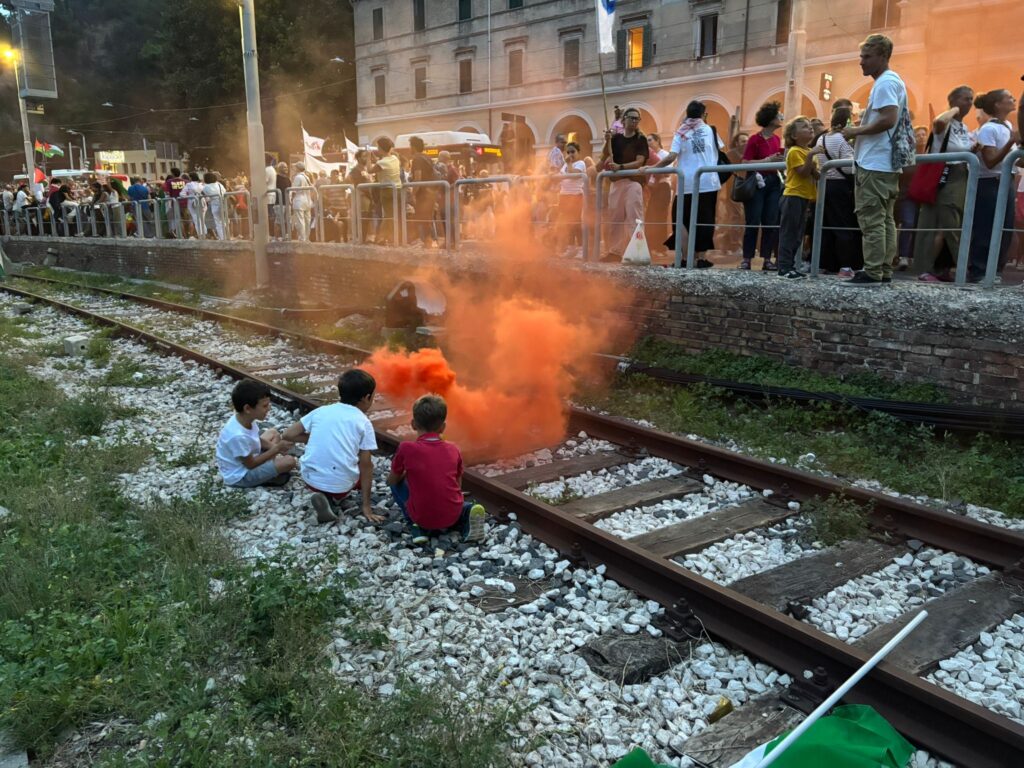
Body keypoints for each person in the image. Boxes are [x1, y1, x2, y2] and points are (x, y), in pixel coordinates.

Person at [843, 34, 910, 286]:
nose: (861, 62)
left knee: (871, 218)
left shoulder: (884, 83)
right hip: (887, 163)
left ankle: (872, 271)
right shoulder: (894, 82)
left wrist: (855, 131)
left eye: (866, 57)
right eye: (861, 56)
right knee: (885, 219)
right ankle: (882, 269)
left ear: (883, 56)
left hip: (874, 163)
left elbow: (888, 119)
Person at [281, 369, 383, 525]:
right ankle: (333, 498)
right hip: (340, 486)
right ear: (366, 397)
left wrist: (313, 437)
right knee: (361, 465)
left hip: (309, 478)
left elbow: (288, 434)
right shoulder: (363, 422)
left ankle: (325, 494)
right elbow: (366, 465)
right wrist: (367, 506)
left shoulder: (322, 411)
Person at [385, 394, 487, 545]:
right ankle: (465, 515)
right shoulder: (453, 449)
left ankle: (415, 526)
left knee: (397, 485)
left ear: (413, 424)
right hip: (451, 516)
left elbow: (391, 481)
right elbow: (457, 486)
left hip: (422, 518)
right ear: (443, 427)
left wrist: (406, 473)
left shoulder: (406, 448)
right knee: (457, 501)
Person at [912, 85, 975, 282]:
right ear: (954, 101)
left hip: (960, 176)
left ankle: (944, 268)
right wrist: (955, 109)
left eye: (971, 99)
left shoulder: (964, 127)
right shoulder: (945, 122)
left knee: (952, 223)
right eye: (966, 99)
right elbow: (938, 122)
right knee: (941, 224)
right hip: (943, 176)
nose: (970, 103)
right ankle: (933, 269)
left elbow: (963, 150)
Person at [649, 100, 721, 268]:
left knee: (681, 220)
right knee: (705, 220)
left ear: (687, 114)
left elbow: (670, 157)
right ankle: (700, 258)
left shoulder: (680, 132)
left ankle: (685, 258)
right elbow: (718, 151)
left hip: (686, 183)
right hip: (708, 181)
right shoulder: (711, 130)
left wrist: (650, 168)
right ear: (704, 115)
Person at [967, 89, 1019, 282]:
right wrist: (1011, 143)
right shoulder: (989, 129)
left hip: (1006, 183)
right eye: (1009, 98)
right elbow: (990, 161)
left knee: (1005, 228)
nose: (1013, 100)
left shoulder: (1006, 125)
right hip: (990, 183)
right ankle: (979, 271)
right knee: (986, 228)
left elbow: (1012, 160)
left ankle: (995, 270)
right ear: (998, 104)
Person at [216, 379, 296, 488]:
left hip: (247, 459)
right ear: (248, 408)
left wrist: (276, 447)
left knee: (273, 433)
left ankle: (269, 470)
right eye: (264, 406)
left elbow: (255, 438)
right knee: (289, 462)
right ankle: (268, 476)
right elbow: (250, 464)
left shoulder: (243, 418)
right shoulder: (237, 436)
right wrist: (277, 449)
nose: (269, 408)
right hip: (240, 476)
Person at [815, 106, 862, 275]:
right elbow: (849, 168)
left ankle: (825, 263)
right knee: (843, 226)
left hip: (825, 185)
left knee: (826, 226)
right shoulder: (842, 139)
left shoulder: (821, 138)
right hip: (840, 186)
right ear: (847, 121)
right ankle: (846, 266)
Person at [599, 106, 649, 261]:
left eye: (637, 118)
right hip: (617, 183)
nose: (634, 121)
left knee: (635, 217)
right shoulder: (616, 139)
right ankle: (615, 251)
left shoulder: (641, 139)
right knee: (615, 218)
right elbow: (605, 155)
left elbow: (640, 161)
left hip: (633, 182)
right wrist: (607, 140)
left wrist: (621, 167)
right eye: (631, 117)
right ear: (624, 119)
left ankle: (638, 252)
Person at [777, 117, 823, 278]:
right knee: (788, 233)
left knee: (798, 235)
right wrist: (811, 156)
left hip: (805, 197)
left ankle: (790, 266)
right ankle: (783, 267)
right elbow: (803, 173)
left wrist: (814, 163)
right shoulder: (795, 151)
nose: (810, 129)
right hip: (793, 196)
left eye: (810, 126)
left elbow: (816, 175)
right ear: (794, 136)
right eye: (804, 127)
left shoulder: (808, 152)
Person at [742, 101, 786, 271]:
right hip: (757, 182)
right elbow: (746, 162)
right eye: (777, 115)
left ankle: (767, 258)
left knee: (770, 221)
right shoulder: (754, 139)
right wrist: (767, 161)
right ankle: (747, 258)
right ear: (770, 118)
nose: (780, 118)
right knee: (753, 220)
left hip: (774, 182)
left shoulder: (776, 139)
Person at [556, 141, 587, 257]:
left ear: (578, 152)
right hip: (564, 196)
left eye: (573, 151)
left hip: (575, 196)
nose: (570, 154)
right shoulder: (564, 165)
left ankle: (580, 249)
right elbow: (560, 177)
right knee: (567, 224)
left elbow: (573, 175)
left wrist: (568, 163)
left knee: (576, 223)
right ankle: (570, 248)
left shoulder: (581, 163)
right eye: (568, 152)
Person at [644, 133, 673, 255]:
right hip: (653, 189)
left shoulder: (665, 155)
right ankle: (651, 246)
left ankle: (661, 247)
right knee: (650, 217)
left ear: (657, 141)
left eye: (650, 140)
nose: (648, 142)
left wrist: (653, 170)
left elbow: (667, 173)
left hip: (663, 186)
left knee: (660, 217)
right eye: (646, 140)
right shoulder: (648, 156)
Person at [409, 135, 439, 247]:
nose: (409, 149)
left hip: (423, 194)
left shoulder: (417, 159)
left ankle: (426, 242)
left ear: (414, 147)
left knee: (422, 218)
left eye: (410, 146)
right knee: (427, 218)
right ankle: (430, 241)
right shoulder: (428, 158)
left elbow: (418, 178)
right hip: (431, 192)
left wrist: (413, 193)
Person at [373, 137, 401, 245]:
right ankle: (392, 238)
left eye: (378, 147)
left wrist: (367, 159)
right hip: (397, 189)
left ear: (380, 148)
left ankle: (382, 238)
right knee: (394, 215)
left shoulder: (382, 162)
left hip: (386, 191)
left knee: (388, 216)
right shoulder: (395, 158)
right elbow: (382, 164)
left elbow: (370, 170)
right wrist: (376, 159)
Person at [347, 149, 374, 243]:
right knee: (363, 218)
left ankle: (364, 239)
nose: (366, 158)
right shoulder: (355, 170)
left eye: (366, 156)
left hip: (368, 197)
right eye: (364, 156)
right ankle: (361, 240)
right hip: (362, 198)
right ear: (358, 158)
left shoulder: (366, 169)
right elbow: (349, 180)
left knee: (366, 219)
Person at [290, 162, 314, 242]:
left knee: (300, 221)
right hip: (307, 201)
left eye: (294, 168)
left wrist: (290, 199)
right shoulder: (307, 177)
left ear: (297, 169)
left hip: (299, 200)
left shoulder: (298, 177)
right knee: (307, 220)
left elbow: (293, 190)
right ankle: (307, 238)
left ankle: (302, 238)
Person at [162, 168, 188, 238]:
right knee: (187, 220)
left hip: (175, 203)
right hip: (186, 202)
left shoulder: (169, 182)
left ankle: (182, 235)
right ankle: (187, 235)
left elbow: (167, 193)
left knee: (178, 220)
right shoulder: (185, 181)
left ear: (173, 173)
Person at [202, 171, 228, 240]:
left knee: (218, 223)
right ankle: (227, 236)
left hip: (215, 206)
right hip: (223, 204)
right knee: (224, 221)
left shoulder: (205, 187)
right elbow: (225, 191)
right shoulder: (219, 184)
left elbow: (206, 197)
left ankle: (222, 239)